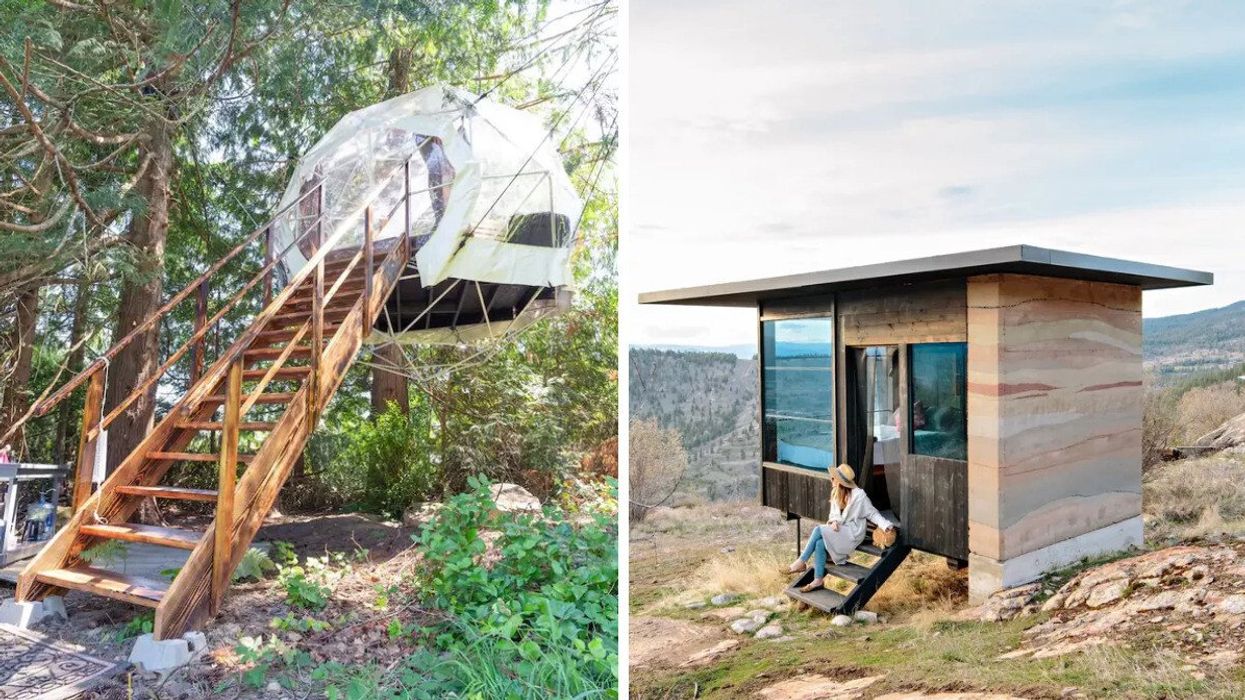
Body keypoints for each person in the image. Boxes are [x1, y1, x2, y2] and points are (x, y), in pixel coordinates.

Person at [786, 463, 896, 592]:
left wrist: (886, 526)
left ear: (840, 482)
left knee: (818, 529)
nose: (831, 479)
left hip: (853, 533)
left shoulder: (860, 496)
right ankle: (818, 580)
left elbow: (872, 513)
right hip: (840, 530)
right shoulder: (835, 493)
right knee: (820, 544)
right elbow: (833, 515)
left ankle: (801, 562)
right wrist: (833, 521)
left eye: (833, 478)